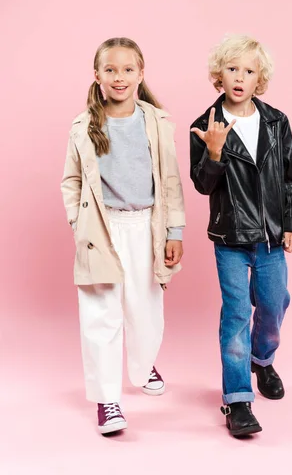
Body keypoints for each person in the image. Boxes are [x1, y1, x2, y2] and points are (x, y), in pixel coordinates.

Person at [61, 37, 185, 435]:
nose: (119, 77)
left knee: (146, 312)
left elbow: (169, 180)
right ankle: (107, 400)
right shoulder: (84, 126)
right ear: (97, 76)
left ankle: (143, 362)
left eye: (127, 69)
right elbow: (72, 180)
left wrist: (174, 231)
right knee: (100, 315)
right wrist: (79, 227)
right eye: (110, 70)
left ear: (141, 73)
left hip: (145, 226)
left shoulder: (156, 121)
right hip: (101, 228)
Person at [190, 34, 292, 437]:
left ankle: (263, 358)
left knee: (274, 305)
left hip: (272, 237)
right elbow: (203, 185)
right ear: (218, 76)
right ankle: (238, 400)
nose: (240, 77)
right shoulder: (206, 126)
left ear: (261, 79)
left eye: (250, 70)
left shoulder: (276, 122)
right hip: (231, 239)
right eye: (232, 69)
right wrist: (216, 152)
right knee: (237, 314)